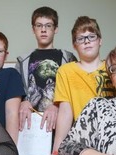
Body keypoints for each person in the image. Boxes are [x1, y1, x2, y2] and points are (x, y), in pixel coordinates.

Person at [52, 16, 116, 155]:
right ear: (74, 44)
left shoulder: (113, 68)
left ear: (100, 40)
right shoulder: (66, 71)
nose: (87, 41)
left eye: (91, 36)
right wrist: (56, 151)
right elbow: (65, 112)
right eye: (81, 38)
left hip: (113, 136)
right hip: (82, 139)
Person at [16, 6, 77, 134]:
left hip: (60, 122)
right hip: (30, 124)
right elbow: (16, 91)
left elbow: (74, 91)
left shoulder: (68, 57)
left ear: (56, 29)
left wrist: (56, 105)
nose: (43, 30)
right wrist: (23, 102)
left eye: (48, 25)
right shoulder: (23, 60)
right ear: (33, 29)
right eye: (39, 25)